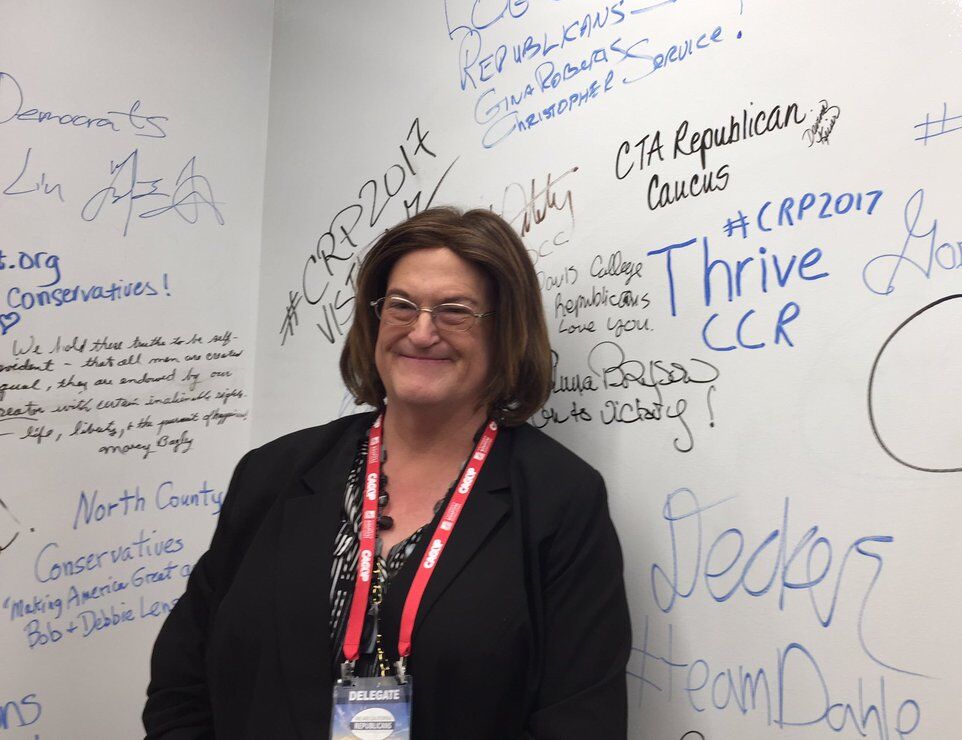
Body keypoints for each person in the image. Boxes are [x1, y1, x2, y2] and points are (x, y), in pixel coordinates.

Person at [143, 207, 631, 739]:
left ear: (505, 332)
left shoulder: (561, 500)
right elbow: (182, 681)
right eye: (401, 306)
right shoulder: (272, 473)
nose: (421, 333)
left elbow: (581, 720)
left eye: (455, 311)